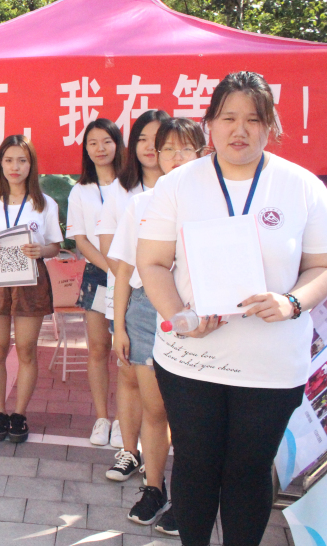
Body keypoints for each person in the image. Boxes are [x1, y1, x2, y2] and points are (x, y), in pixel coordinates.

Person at [138, 72, 327, 546]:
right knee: (196, 464)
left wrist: (291, 302)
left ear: (271, 126)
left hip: (270, 365)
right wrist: (180, 315)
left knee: (248, 470)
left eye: (254, 119)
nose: (240, 130)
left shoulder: (302, 187)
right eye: (228, 118)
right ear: (209, 123)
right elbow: (152, 262)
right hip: (191, 358)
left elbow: (321, 266)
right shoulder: (177, 185)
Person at [108, 117, 207, 536]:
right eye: (168, 149)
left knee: (189, 416)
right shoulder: (141, 204)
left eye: (186, 148)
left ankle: (188, 499)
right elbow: (123, 270)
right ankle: (154, 488)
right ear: (157, 156)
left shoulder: (217, 203)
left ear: (202, 153)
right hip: (147, 312)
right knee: (156, 409)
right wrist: (119, 327)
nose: (176, 156)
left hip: (204, 313)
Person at [0, 135, 62, 443]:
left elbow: (55, 245)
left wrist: (41, 251)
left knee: (26, 349)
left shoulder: (45, 204)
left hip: (30, 281)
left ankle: (20, 414)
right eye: (9, 160)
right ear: (0, 164)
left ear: (31, 165)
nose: (15, 167)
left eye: (22, 161)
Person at [97, 110, 169, 454]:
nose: (149, 147)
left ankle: (156, 455)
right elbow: (109, 249)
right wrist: (144, 278)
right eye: (141, 139)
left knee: (165, 383)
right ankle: (129, 451)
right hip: (129, 293)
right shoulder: (121, 190)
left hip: (174, 299)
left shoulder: (184, 188)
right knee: (128, 374)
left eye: (158, 139)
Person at [65, 118, 124, 446]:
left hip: (134, 276)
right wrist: (112, 270)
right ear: (86, 150)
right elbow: (81, 241)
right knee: (99, 348)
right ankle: (102, 418)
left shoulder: (132, 185)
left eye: (106, 141)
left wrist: (123, 272)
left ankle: (125, 419)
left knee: (128, 351)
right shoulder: (80, 190)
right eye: (92, 143)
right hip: (100, 275)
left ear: (118, 144)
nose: (100, 148)